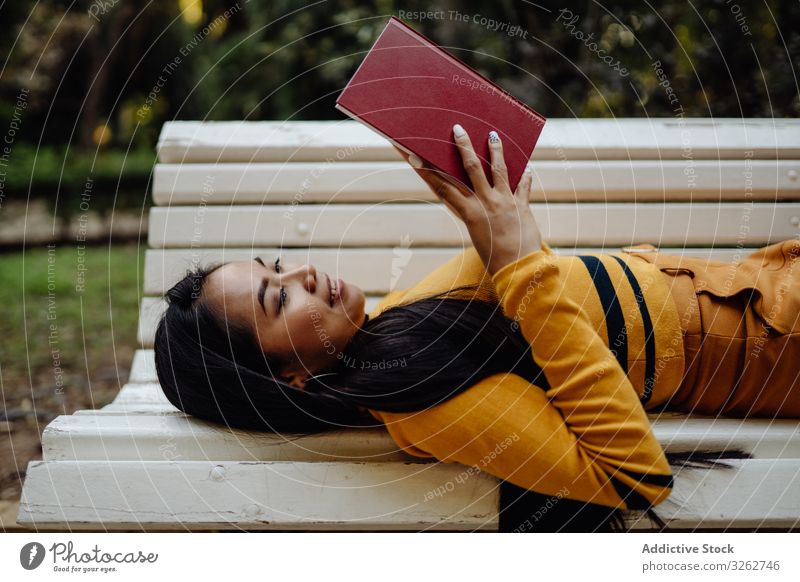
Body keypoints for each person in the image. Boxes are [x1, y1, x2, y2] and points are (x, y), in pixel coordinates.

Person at [154, 124, 800, 532]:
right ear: (289, 376)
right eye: (277, 299)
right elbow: (635, 479)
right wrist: (519, 265)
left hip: (761, 282)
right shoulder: (423, 402)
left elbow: (514, 275)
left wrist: (478, 190)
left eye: (280, 265)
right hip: (774, 340)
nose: (304, 274)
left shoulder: (393, 329)